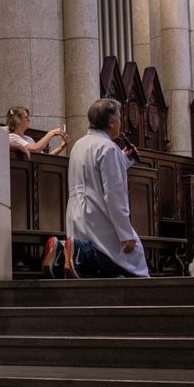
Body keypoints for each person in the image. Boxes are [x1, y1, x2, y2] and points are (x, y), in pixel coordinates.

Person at [43, 98, 148, 278]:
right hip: (99, 215)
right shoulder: (108, 148)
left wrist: (123, 159)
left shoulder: (79, 144)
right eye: (119, 118)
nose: (121, 123)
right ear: (111, 122)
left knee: (94, 271)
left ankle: (64, 250)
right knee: (132, 260)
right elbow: (114, 195)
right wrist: (125, 233)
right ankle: (80, 252)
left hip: (77, 213)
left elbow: (91, 172)